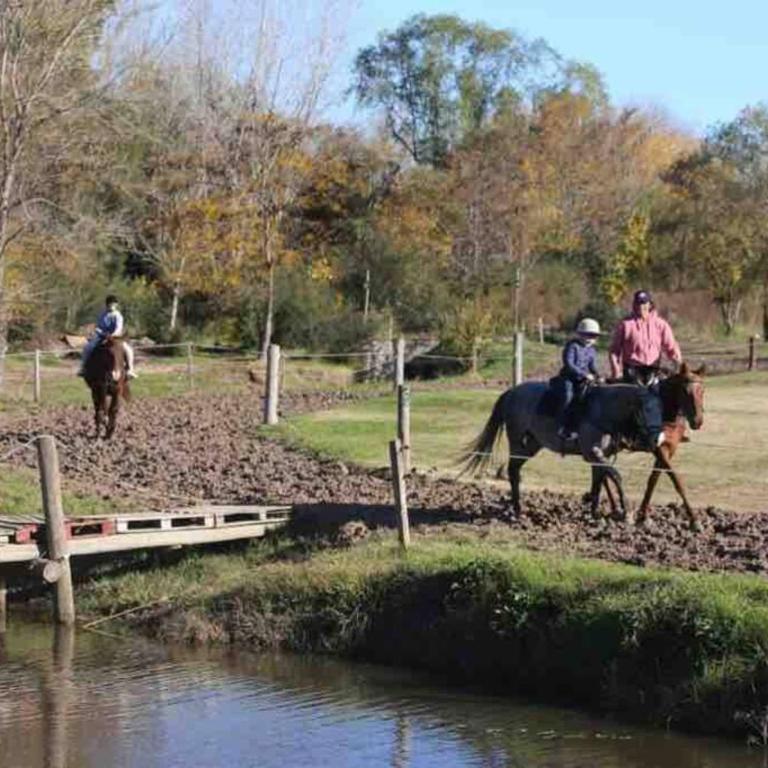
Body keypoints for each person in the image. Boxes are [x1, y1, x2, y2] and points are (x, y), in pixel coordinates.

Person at [609, 290, 681, 385]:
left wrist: (677, 364)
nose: (641, 306)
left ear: (650, 304)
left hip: (654, 369)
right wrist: (616, 370)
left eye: (644, 303)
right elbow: (614, 350)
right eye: (638, 303)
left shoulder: (661, 325)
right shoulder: (625, 325)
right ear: (634, 305)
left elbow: (671, 347)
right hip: (632, 370)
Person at [556, 317, 602, 439]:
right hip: (569, 378)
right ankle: (562, 427)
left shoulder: (592, 350)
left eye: (593, 336)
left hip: (583, 380)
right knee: (568, 396)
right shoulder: (573, 346)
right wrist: (584, 374)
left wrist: (598, 375)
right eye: (587, 335)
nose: (589, 339)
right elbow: (569, 364)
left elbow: (592, 366)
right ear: (580, 334)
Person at [77, 295, 138, 378]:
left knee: (128, 349)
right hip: (101, 336)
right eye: (110, 304)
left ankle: (130, 369)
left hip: (115, 337)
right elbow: (98, 327)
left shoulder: (118, 315)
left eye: (113, 304)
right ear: (107, 305)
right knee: (87, 347)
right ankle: (83, 368)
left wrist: (112, 335)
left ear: (116, 305)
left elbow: (118, 328)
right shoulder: (102, 314)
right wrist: (102, 333)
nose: (112, 306)